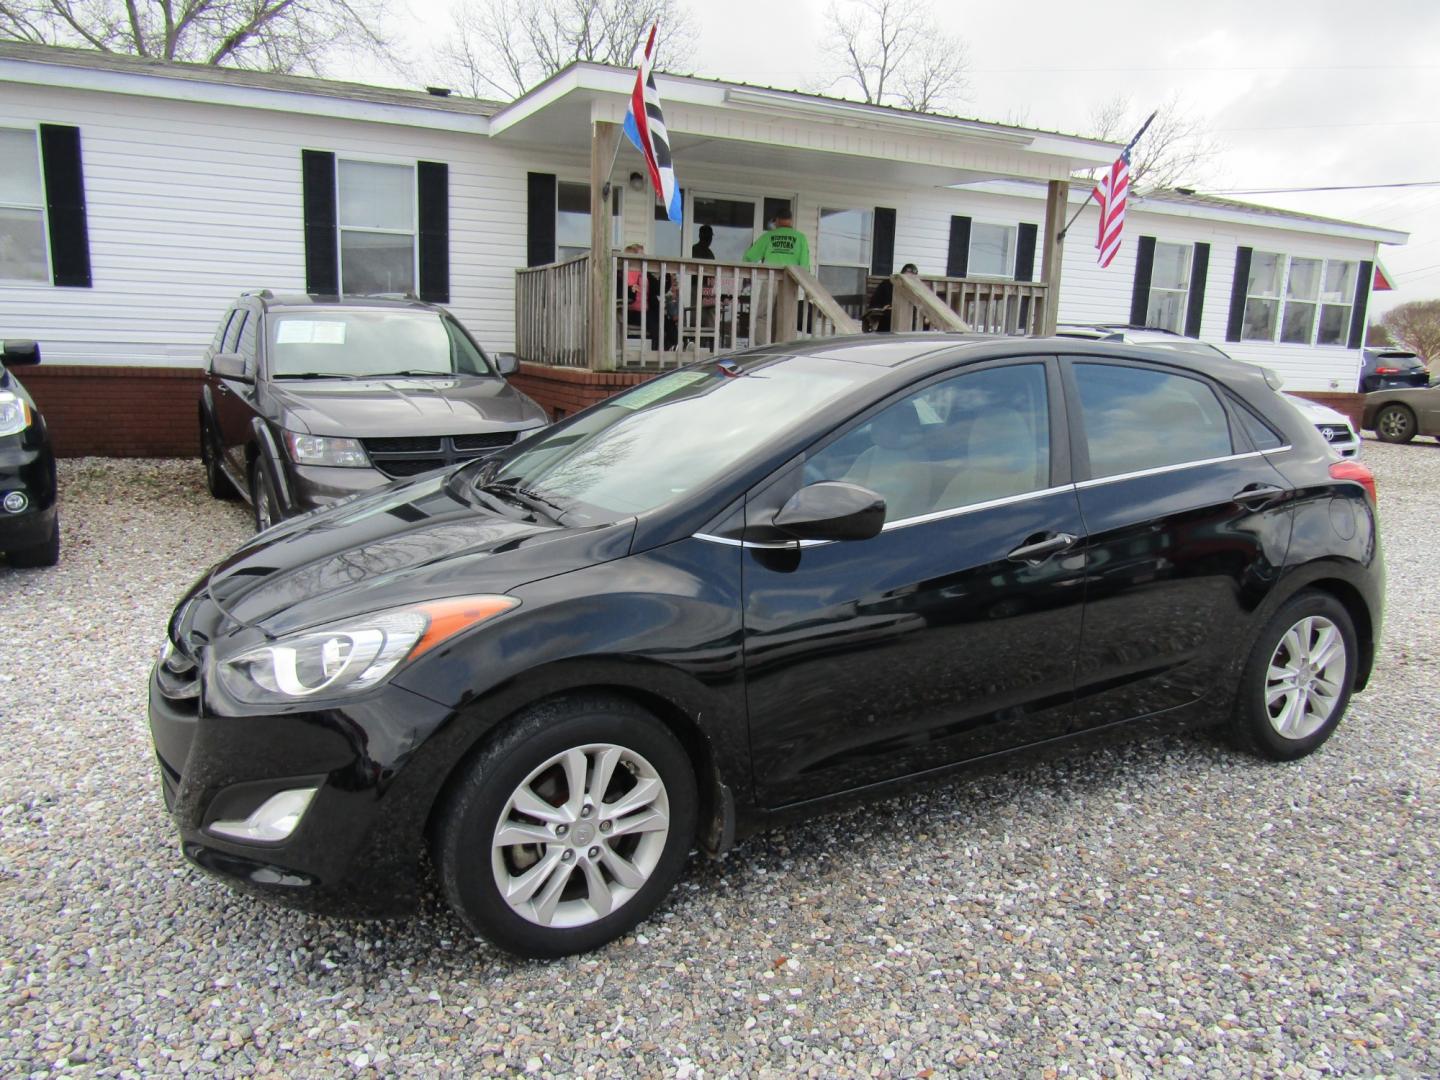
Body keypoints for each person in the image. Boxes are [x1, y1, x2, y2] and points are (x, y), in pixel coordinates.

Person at [742, 210, 810, 343]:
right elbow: (805, 267)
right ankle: (783, 349)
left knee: (763, 316)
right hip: (790, 282)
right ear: (791, 220)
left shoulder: (769, 236)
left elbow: (749, 258)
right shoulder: (800, 238)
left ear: (777, 220)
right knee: (786, 319)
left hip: (770, 279)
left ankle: (761, 348)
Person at [866, 263, 919, 333]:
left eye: (912, 275)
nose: (908, 277)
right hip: (889, 314)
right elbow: (875, 302)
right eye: (907, 273)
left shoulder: (916, 288)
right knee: (889, 315)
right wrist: (882, 307)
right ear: (901, 274)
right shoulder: (887, 284)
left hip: (908, 315)